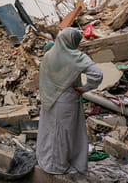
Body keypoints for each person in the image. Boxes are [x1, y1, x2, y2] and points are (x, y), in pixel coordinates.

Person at [37, 27, 103, 175]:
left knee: (51, 132)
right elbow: (97, 74)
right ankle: (59, 166)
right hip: (66, 100)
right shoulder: (75, 56)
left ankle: (49, 162)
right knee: (64, 134)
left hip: (49, 99)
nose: (78, 46)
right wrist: (85, 88)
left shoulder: (49, 55)